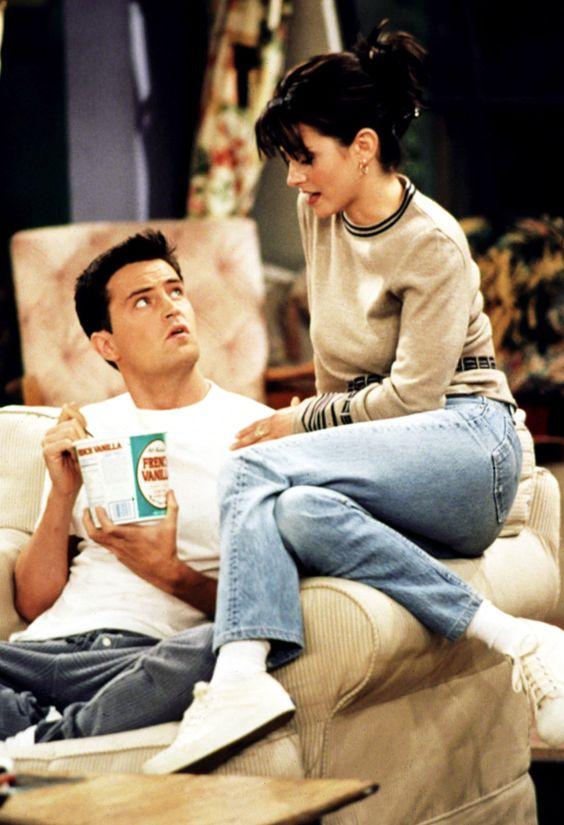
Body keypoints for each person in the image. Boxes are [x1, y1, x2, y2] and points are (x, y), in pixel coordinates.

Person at [143, 21, 564, 776]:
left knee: (252, 470)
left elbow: (414, 399)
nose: (293, 178)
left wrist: (299, 423)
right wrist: (314, 435)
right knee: (293, 509)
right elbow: (336, 375)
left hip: (472, 446)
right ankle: (519, 639)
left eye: (305, 156)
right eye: (288, 160)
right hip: (398, 463)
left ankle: (237, 680)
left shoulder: (431, 241)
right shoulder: (322, 217)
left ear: (363, 146)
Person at [0, 229, 272, 751]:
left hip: (148, 654)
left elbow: (264, 605)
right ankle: (51, 729)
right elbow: (33, 603)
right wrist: (62, 493)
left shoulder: (254, 431)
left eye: (176, 291)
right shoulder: (85, 427)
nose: (172, 308)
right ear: (107, 345)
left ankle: (40, 738)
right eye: (143, 301)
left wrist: (168, 572)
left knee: (216, 650)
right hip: (46, 646)